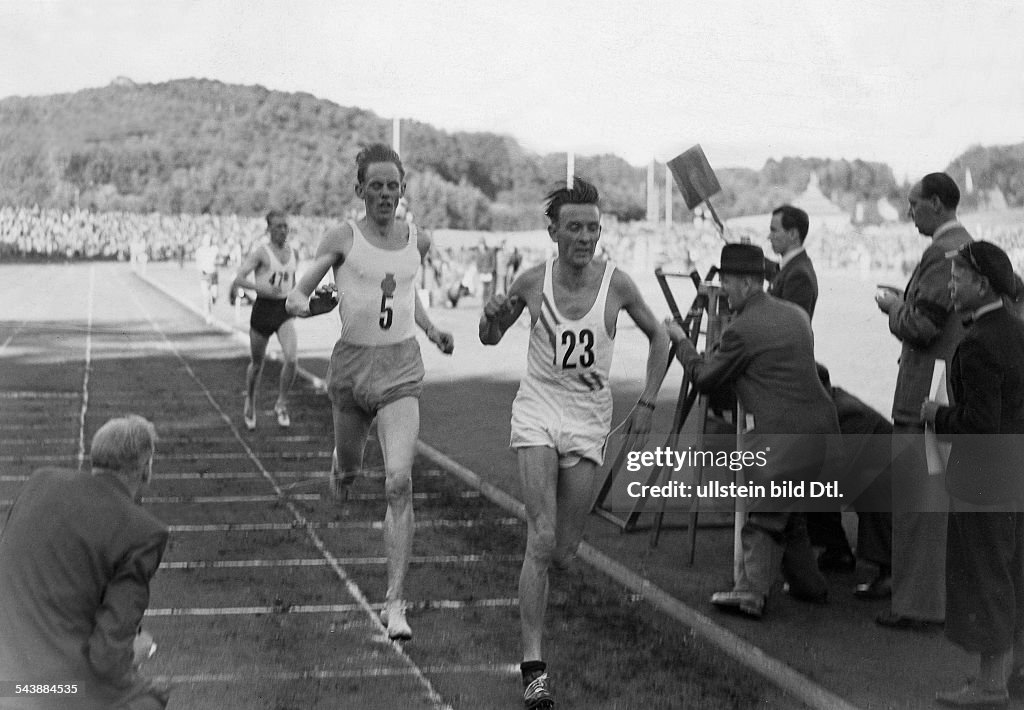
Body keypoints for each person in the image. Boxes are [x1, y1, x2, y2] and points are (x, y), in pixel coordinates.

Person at [480, 177, 670, 709]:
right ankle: (534, 669)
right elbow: (490, 336)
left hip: (589, 421)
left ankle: (540, 602)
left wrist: (649, 401)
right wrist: (490, 318)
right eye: (575, 228)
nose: (585, 237)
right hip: (539, 409)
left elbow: (662, 337)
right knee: (539, 539)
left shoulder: (619, 285)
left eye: (593, 228)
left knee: (564, 552)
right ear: (554, 232)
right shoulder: (532, 282)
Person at [286, 144, 453, 642]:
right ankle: (339, 469)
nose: (385, 193)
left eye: (392, 185)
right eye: (375, 184)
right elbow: (303, 289)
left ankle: (395, 604)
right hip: (353, 368)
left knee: (399, 482)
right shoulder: (342, 236)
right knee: (351, 470)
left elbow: (403, 292)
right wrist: (299, 302)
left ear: (403, 191)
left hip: (401, 368)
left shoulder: (417, 241)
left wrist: (431, 328)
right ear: (359, 189)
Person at [666, 243, 840, 619]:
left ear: (746, 283)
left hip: (781, 439)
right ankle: (811, 587)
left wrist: (682, 343)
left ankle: (749, 594)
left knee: (763, 517)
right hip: (823, 431)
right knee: (789, 517)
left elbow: (707, 379)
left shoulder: (742, 329)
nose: (723, 291)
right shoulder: (794, 315)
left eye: (726, 283)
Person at [0, 415, 170, 710]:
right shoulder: (144, 532)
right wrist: (137, 653)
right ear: (146, 468)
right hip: (52, 688)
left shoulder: (40, 482)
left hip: (8, 678)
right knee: (151, 698)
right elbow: (108, 660)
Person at [921, 241, 1024, 707]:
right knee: (1010, 571)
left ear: (982, 284)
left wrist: (935, 415)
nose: (951, 285)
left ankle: (990, 685)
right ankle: (1004, 675)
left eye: (958, 278)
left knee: (983, 577)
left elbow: (979, 423)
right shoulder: (1017, 331)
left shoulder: (978, 344)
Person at [873, 172, 972, 630]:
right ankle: (933, 598)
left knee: (918, 505)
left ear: (936, 202)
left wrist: (894, 306)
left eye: (914, 204)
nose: (910, 211)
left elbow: (922, 327)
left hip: (925, 393)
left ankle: (916, 604)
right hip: (947, 387)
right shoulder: (962, 247)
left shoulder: (942, 253)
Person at [766, 204, 857, 574]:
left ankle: (830, 546)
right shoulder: (793, 268)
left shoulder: (799, 274)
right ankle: (829, 545)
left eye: (774, 230)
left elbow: (789, 326)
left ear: (792, 234)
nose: (769, 235)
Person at [232, 210, 299, 431]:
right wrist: (260, 288)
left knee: (291, 358)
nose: (283, 231)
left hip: (283, 309)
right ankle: (250, 400)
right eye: (278, 226)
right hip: (263, 310)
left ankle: (281, 403)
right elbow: (240, 278)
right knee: (257, 364)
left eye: (285, 226)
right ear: (269, 229)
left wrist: (299, 299)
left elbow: (294, 281)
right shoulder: (261, 253)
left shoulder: (292, 252)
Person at [195, 235, 220, 320]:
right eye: (206, 240)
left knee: (214, 294)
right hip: (205, 274)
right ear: (203, 241)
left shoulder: (215, 249)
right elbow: (198, 263)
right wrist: (201, 269)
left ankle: (213, 300)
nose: (208, 242)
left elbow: (219, 259)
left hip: (213, 274)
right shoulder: (199, 251)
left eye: (209, 240)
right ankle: (208, 314)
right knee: (206, 296)